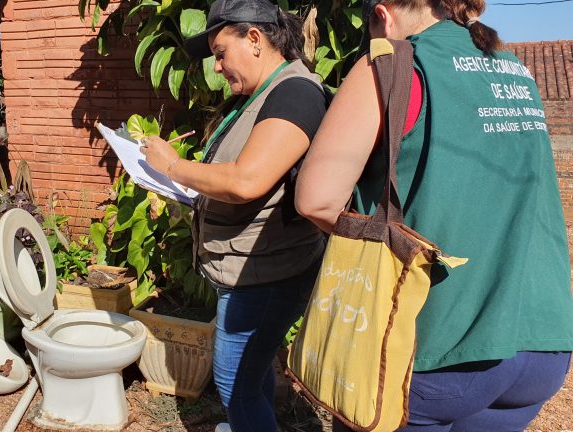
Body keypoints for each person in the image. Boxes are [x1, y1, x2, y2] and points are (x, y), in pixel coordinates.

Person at [294, 0, 573, 430]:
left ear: (382, 15)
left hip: (436, 345)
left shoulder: (390, 64)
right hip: (542, 343)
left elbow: (316, 201)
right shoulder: (514, 68)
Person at [139, 0, 328, 430]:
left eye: (221, 53)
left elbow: (247, 180)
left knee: (235, 384)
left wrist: (172, 166)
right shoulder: (259, 95)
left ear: (255, 39)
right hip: (250, 268)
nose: (217, 67)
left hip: (266, 275)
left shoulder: (295, 93)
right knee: (252, 373)